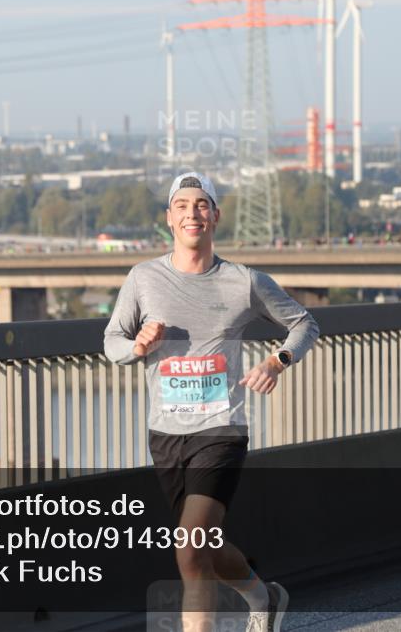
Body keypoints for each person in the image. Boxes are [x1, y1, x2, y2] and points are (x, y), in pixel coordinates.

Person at [103, 172, 320, 632]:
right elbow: (112, 344)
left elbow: (304, 325)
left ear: (215, 216)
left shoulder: (244, 282)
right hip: (165, 434)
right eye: (181, 206)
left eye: (201, 205)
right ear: (169, 219)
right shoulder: (143, 279)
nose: (191, 213)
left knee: (189, 546)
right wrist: (138, 347)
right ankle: (263, 597)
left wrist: (277, 362)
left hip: (221, 429)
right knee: (204, 545)